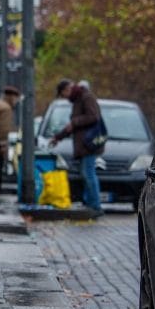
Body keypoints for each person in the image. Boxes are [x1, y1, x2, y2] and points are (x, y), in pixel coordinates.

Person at [50, 78, 106, 214]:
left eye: (64, 95)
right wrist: (58, 137)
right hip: (84, 145)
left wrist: (75, 122)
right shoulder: (78, 100)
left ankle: (95, 206)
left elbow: (93, 117)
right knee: (86, 174)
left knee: (89, 174)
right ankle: (89, 204)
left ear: (67, 89)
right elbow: (72, 126)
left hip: (89, 144)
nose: (65, 98)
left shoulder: (86, 97)